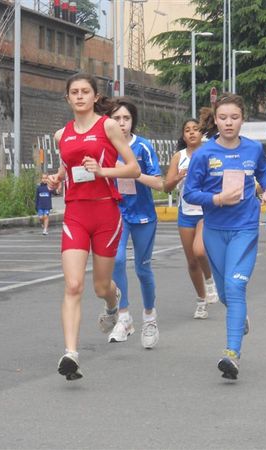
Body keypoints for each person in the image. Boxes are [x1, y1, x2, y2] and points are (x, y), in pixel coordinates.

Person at [47, 73, 141, 381]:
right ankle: (71, 354)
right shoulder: (62, 134)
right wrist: (57, 177)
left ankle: (113, 305)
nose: (79, 96)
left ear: (95, 95)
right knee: (74, 285)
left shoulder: (108, 126)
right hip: (75, 212)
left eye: (85, 91)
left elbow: (133, 167)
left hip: (105, 212)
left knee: (101, 286)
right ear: (67, 98)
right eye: (73, 92)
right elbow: (67, 165)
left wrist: (102, 171)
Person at [183, 94, 266, 380]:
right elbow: (189, 193)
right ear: (216, 118)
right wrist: (218, 199)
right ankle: (239, 315)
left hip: (246, 228)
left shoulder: (253, 149)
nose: (228, 123)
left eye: (234, 117)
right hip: (214, 230)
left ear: (242, 119)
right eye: (223, 117)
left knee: (236, 289)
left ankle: (232, 353)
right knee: (225, 293)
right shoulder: (204, 153)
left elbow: (264, 173)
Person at [106, 99, 163, 348]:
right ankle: (124, 316)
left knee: (142, 269)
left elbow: (159, 183)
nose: (121, 123)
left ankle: (149, 317)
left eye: (126, 118)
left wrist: (132, 171)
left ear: (132, 121)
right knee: (116, 260)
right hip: (115, 213)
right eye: (116, 118)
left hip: (143, 215)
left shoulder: (143, 146)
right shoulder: (105, 146)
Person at [164, 119, 219, 320]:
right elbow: (167, 186)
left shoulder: (209, 153)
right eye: (187, 130)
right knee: (192, 261)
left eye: (195, 129)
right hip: (186, 213)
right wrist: (177, 177)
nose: (192, 133)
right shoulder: (178, 157)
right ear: (183, 135)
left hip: (206, 212)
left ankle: (210, 280)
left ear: (201, 133)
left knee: (200, 251)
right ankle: (201, 300)